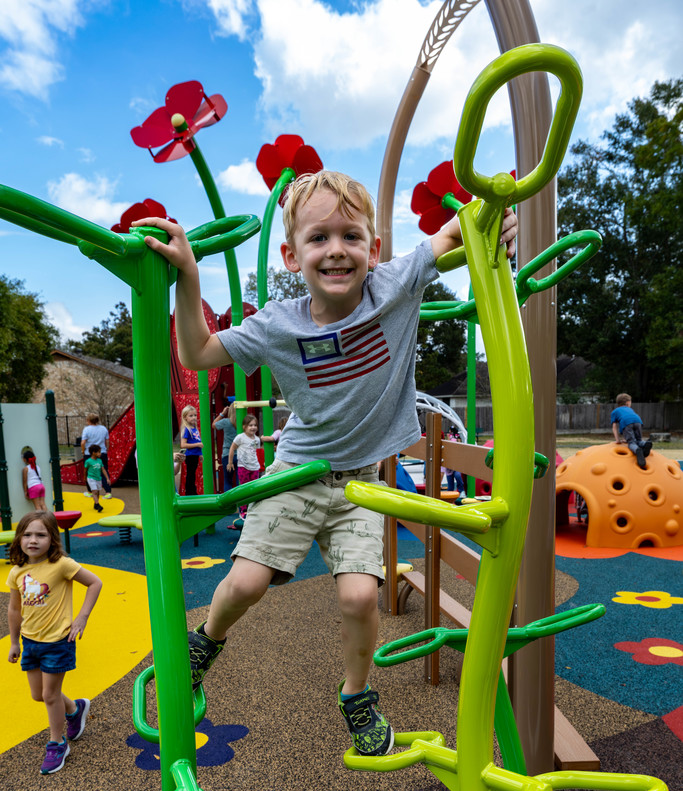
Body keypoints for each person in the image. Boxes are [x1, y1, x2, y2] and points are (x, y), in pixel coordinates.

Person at [132, 170, 517, 757]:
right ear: (291, 256)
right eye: (318, 238)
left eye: (350, 236)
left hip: (362, 481)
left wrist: (496, 226)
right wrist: (188, 275)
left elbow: (454, 236)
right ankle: (206, 643)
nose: (336, 249)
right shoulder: (276, 325)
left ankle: (356, 694)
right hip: (298, 473)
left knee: (361, 597)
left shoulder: (396, 283)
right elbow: (196, 352)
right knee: (245, 583)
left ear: (374, 249)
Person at [6, 511, 102, 775]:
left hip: (58, 641)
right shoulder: (17, 572)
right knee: (38, 695)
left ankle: (57, 743)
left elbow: (95, 582)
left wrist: (81, 617)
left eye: (40, 534)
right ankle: (74, 708)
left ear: (52, 539)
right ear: (19, 539)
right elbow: (14, 610)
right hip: (30, 641)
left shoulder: (61, 565)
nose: (33, 540)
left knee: (49, 695)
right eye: (27, 534)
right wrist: (14, 643)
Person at [227, 413, 262, 519]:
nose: (253, 427)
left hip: (254, 467)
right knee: (244, 488)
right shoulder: (240, 438)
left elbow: (256, 451)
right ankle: (243, 510)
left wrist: (260, 464)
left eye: (255, 425)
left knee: (254, 489)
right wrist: (230, 462)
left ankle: (252, 508)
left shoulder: (257, 439)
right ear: (244, 426)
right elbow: (232, 448)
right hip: (243, 467)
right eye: (250, 425)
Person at [611, 393, 652, 469]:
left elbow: (614, 427)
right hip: (638, 421)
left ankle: (637, 450)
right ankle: (646, 443)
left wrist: (617, 440)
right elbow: (631, 419)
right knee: (638, 440)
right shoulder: (630, 409)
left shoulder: (615, 411)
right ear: (627, 402)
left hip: (626, 422)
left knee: (631, 443)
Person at [80, 415, 111, 497]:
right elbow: (107, 441)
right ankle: (108, 492)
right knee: (104, 470)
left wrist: (83, 451)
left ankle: (90, 491)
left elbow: (83, 442)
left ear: (89, 421)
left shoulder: (86, 429)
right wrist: (106, 449)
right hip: (102, 452)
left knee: (89, 472)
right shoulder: (103, 428)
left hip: (89, 453)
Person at [212, 402, 237, 492]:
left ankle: (229, 503)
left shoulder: (226, 422)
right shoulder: (242, 422)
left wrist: (222, 413)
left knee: (227, 481)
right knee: (239, 480)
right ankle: (241, 503)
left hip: (227, 454)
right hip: (240, 454)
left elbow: (214, 424)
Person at [180, 404, 202, 495]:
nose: (194, 417)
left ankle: (193, 491)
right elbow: (183, 444)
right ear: (185, 417)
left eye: (195, 415)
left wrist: (200, 454)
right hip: (190, 455)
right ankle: (190, 492)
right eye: (191, 416)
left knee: (193, 474)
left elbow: (196, 441)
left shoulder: (194, 429)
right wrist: (197, 444)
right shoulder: (186, 429)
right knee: (190, 475)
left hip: (195, 455)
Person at [84, 444, 110, 512]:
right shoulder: (88, 461)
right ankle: (98, 504)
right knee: (94, 491)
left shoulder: (99, 461)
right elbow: (85, 470)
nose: (100, 453)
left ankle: (95, 504)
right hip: (91, 478)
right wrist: (85, 478)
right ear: (93, 453)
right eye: (98, 452)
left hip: (98, 478)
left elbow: (103, 469)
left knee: (97, 492)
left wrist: (107, 478)